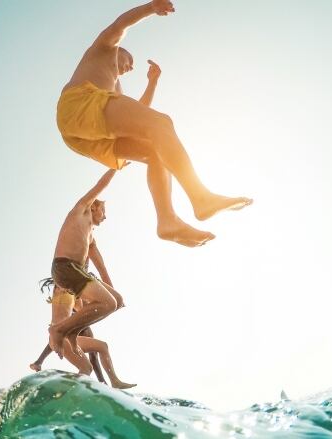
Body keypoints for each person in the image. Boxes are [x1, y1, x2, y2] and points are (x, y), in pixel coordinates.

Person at [56, 0, 252, 247]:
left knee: (155, 149)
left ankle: (167, 220)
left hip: (82, 134)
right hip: (78, 104)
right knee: (162, 123)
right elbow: (120, 24)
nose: (129, 68)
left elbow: (136, 117)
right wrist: (151, 7)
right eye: (129, 61)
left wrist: (152, 83)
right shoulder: (104, 49)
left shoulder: (114, 87)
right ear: (121, 51)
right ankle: (200, 197)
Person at [47, 168, 125, 358]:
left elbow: (101, 266)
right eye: (103, 211)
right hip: (64, 267)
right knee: (108, 303)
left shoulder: (91, 237)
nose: (105, 216)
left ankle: (73, 331)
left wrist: (111, 291)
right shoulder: (81, 210)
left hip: (78, 273)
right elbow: (101, 185)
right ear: (94, 207)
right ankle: (59, 330)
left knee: (116, 301)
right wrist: (116, 167)